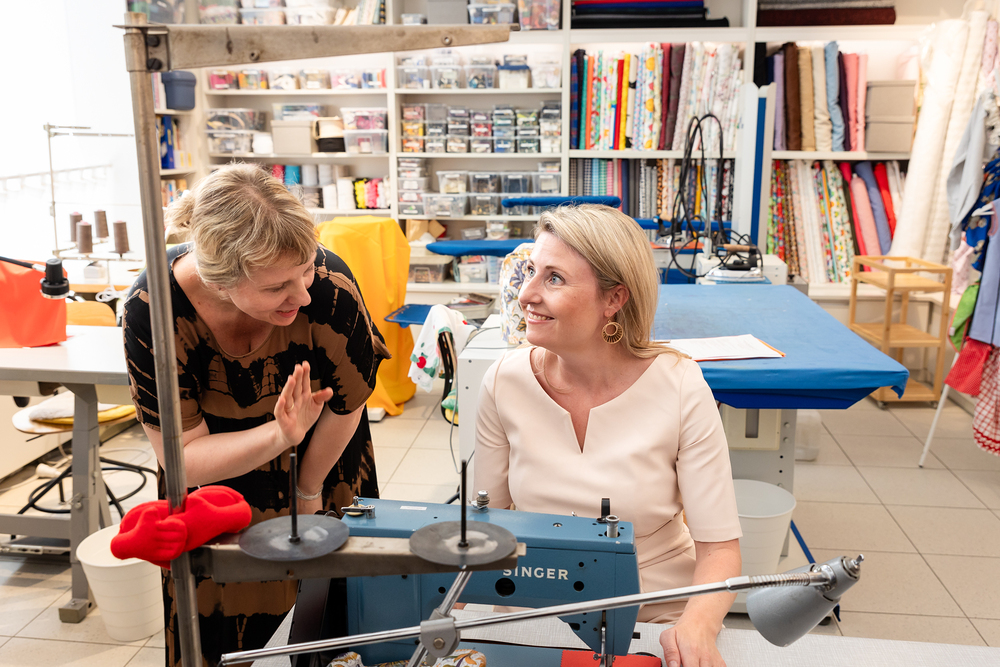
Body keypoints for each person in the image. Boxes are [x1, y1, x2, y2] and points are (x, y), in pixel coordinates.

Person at [122, 164, 389, 667]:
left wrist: (307, 490)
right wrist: (279, 434)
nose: (302, 294)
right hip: (214, 493)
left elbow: (347, 404)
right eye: (276, 288)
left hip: (324, 459)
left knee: (332, 629)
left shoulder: (329, 287)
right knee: (227, 637)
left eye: (305, 269)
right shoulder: (153, 310)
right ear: (219, 281)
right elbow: (186, 458)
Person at [475, 204, 742, 667]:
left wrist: (697, 626)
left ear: (613, 298)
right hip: (534, 605)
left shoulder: (679, 386)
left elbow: (719, 548)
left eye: (554, 279)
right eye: (531, 271)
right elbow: (484, 525)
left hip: (654, 609)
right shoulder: (504, 381)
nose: (526, 294)